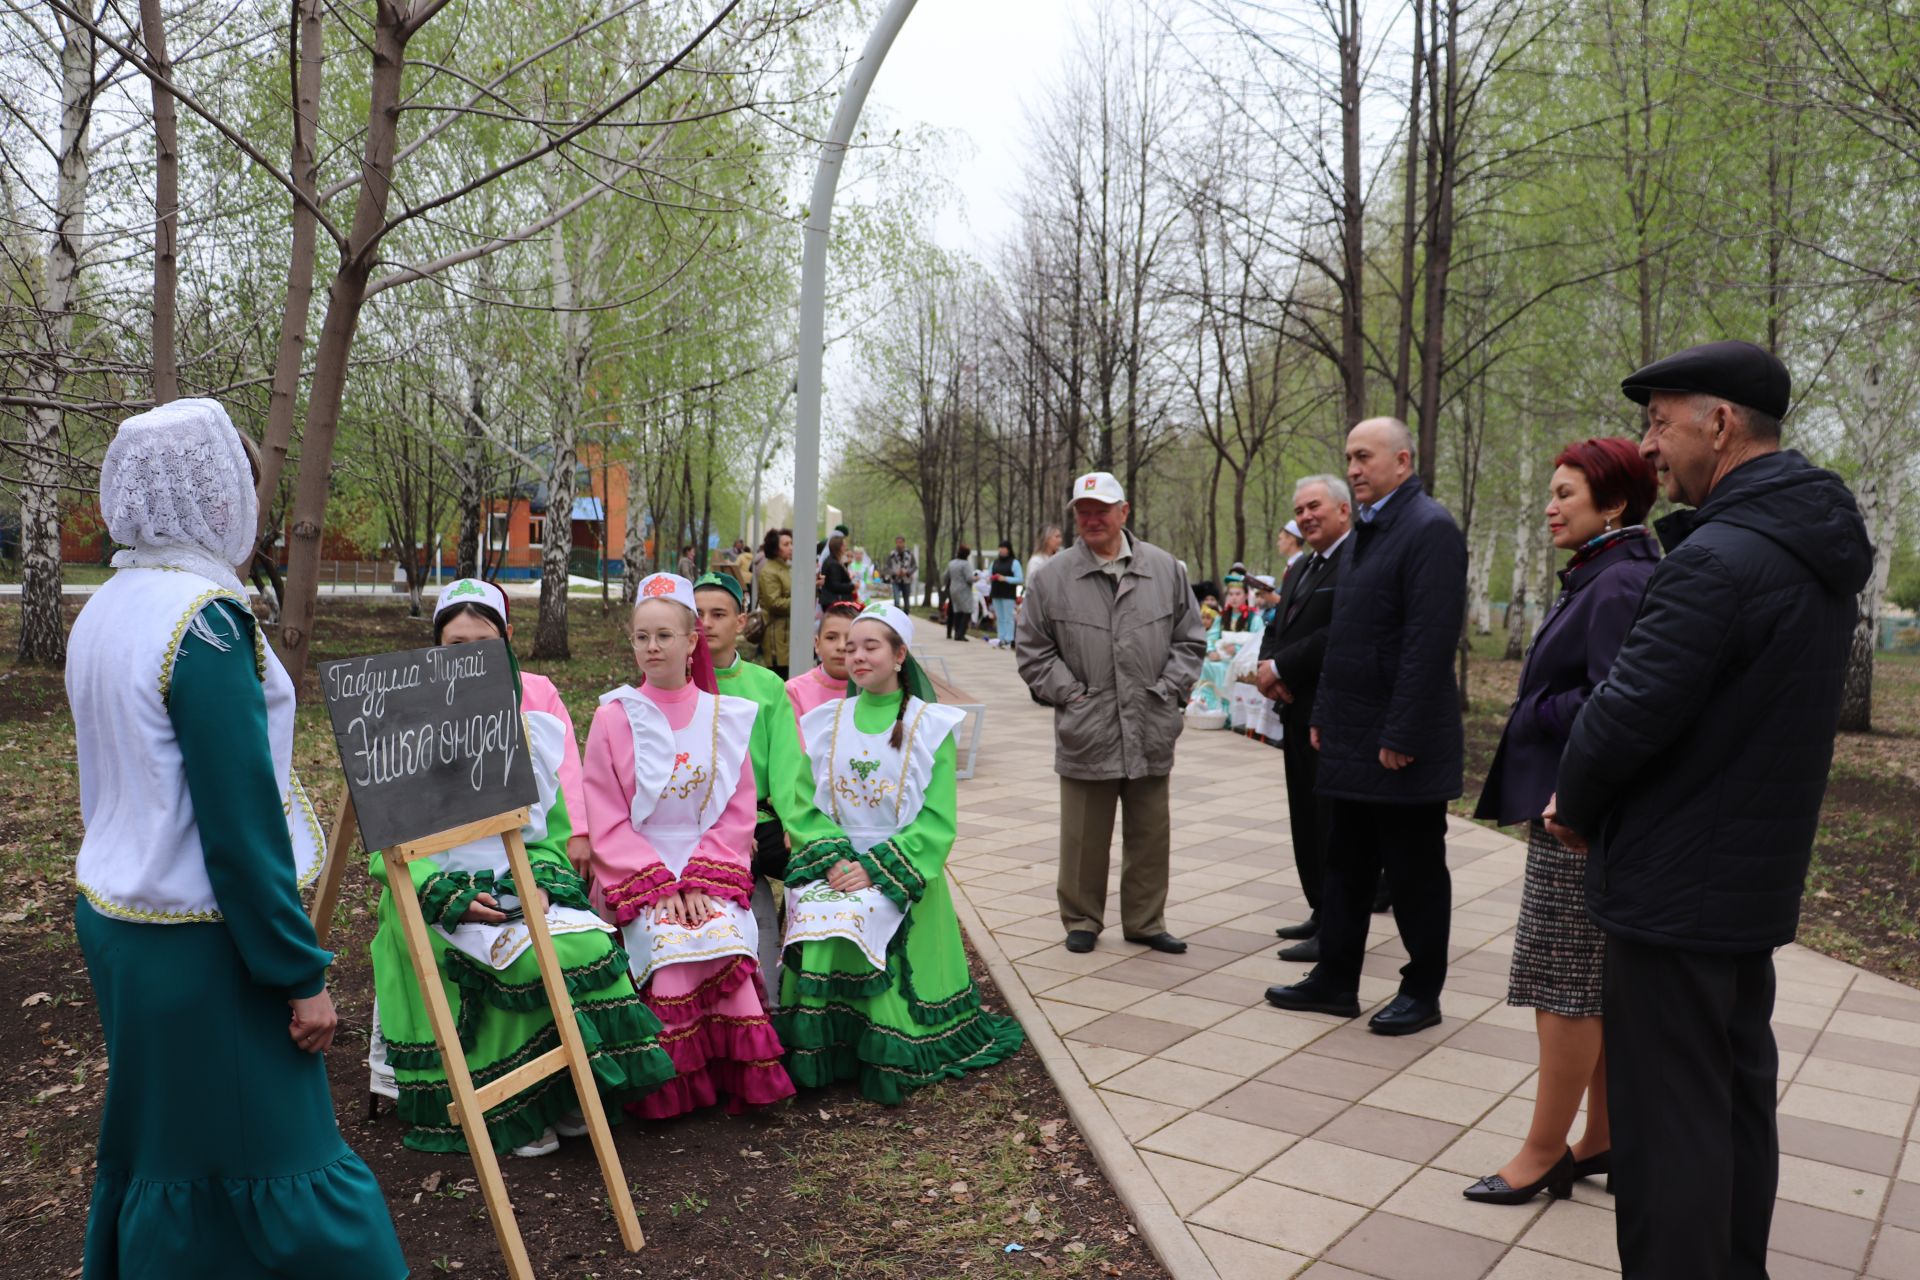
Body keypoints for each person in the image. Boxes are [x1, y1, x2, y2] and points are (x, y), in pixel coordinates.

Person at [1549, 342, 1871, 1275]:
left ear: (1719, 424)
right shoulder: (1807, 548)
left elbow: (1625, 713)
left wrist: (1576, 802)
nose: (1648, 447)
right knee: (1731, 1102)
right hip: (1743, 882)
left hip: (1673, 885)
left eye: (1659, 421)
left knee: (1666, 1128)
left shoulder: (1716, 561)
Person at [68, 400, 405, 1279]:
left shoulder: (105, 609)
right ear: (215, 497)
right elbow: (239, 823)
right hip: (203, 943)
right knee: (287, 1162)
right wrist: (299, 976)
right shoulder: (206, 620)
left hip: (119, 926)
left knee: (174, 1157)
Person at [368, 579, 675, 1156]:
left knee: (585, 948)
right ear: (435, 648)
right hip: (429, 886)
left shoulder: (530, 728)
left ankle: (564, 1093)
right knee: (518, 958)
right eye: (455, 645)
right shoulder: (396, 724)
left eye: (482, 644)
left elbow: (550, 833)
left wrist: (538, 880)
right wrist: (441, 888)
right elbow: (385, 848)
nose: (468, 659)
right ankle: (511, 1104)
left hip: (517, 878)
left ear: (505, 643)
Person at [1458, 439, 1658, 1205]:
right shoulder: (1605, 572)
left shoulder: (1617, 583)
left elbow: (1619, 700)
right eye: (1550, 491)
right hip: (1580, 807)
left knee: (1565, 984)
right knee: (1589, 984)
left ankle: (1545, 1154)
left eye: (1566, 492)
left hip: (1581, 814)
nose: (1550, 505)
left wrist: (1534, 708)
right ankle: (1602, 1135)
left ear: (1612, 504)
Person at [773, 603, 1025, 1101]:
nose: (857, 655)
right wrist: (836, 858)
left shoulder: (930, 725)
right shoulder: (826, 720)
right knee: (826, 912)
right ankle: (827, 1045)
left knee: (873, 910)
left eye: (871, 646)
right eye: (851, 647)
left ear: (899, 654)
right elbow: (801, 801)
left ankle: (886, 1043)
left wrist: (875, 869)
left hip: (899, 864)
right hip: (836, 861)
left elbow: (937, 818)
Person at [1265, 419, 1467, 1036]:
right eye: (1348, 457)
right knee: (1345, 862)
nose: (1353, 468)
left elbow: (1427, 644)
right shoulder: (1365, 535)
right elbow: (1347, 639)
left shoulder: (1430, 530)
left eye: (1364, 457)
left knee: (1412, 872)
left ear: (1402, 461)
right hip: (1350, 735)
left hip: (1400, 743)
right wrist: (1324, 716)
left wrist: (1402, 733)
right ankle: (1335, 979)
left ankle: (1422, 990)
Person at [583, 574, 796, 1118]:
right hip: (636, 870)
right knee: (669, 944)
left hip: (710, 866)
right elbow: (604, 814)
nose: (652, 647)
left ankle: (727, 1075)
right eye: (641, 637)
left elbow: (736, 811)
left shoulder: (725, 718)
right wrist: (660, 886)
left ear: (691, 640)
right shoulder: (613, 716)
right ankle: (673, 1088)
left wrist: (699, 882)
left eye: (664, 636)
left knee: (720, 935)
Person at [1015, 472, 1206, 956]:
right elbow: (1033, 650)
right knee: (1083, 835)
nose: (1092, 519)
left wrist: (1170, 690)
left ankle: (1145, 920)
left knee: (1150, 832)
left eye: (1102, 509)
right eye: (1083, 510)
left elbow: (1189, 639)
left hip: (1150, 720)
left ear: (1124, 511)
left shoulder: (1165, 569)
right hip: (1088, 724)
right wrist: (1071, 695)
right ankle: (1082, 918)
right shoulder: (1052, 577)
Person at [694, 572, 807, 995]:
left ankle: (801, 991)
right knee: (744, 886)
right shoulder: (677, 685)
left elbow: (787, 766)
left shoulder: (766, 686)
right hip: (701, 823)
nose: (706, 623)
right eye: (698, 614)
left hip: (763, 818)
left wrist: (798, 830)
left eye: (718, 614)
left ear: (741, 622)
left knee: (816, 874)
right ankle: (760, 999)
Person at [1257, 475, 1353, 963]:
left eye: (1314, 506)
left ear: (1342, 509)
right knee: (1303, 816)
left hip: (1329, 711)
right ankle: (1319, 908)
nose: (1306, 516)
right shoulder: (1301, 567)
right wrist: (1267, 667)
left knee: (1330, 822)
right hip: (1293, 707)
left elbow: (1340, 632)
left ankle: (1337, 921)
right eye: (1299, 510)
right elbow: (1277, 626)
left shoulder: (1355, 560)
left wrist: (1282, 666)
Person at [788, 601, 862, 733]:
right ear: (817, 644)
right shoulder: (794, 691)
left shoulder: (875, 690)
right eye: (831, 637)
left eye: (850, 639)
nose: (841, 646)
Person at [757, 527, 794, 679]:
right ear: (775, 548)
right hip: (776, 637)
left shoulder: (785, 568)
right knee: (781, 678)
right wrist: (801, 601)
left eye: (791, 543)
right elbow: (774, 603)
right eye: (786, 544)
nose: (791, 547)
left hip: (786, 634)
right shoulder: (769, 572)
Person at [987, 540, 1024, 650]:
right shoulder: (995, 562)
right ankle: (1000, 638)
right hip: (996, 593)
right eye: (1000, 547)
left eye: (1004, 547)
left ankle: (1008, 640)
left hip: (1008, 594)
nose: (1001, 550)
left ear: (1008, 549)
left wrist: (1005, 578)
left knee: (1008, 618)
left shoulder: (1014, 563)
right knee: (999, 618)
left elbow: (1020, 578)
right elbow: (989, 575)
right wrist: (991, 578)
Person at [819, 533, 857, 611]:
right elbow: (835, 585)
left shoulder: (832, 560)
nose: (845, 548)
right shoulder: (833, 563)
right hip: (833, 601)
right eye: (844, 545)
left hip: (831, 600)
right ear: (839, 547)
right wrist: (853, 586)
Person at [943, 543, 973, 642]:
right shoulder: (965, 564)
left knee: (956, 611)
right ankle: (960, 634)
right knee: (967, 611)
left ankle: (955, 633)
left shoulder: (951, 563)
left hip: (953, 589)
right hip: (964, 590)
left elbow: (945, 576)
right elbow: (969, 578)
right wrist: (977, 578)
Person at [885, 536, 917, 610]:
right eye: (897, 543)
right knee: (897, 601)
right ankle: (897, 617)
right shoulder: (892, 554)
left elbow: (914, 566)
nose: (898, 544)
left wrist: (907, 572)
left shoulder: (909, 554)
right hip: (895, 580)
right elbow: (887, 567)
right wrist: (895, 572)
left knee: (907, 603)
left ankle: (905, 615)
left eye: (900, 542)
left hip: (906, 580)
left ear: (904, 543)